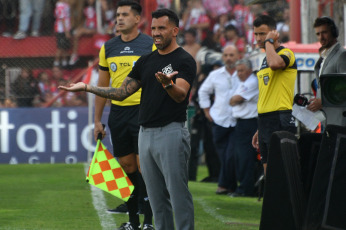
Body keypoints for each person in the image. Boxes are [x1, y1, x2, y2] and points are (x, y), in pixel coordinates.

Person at [59, 8, 196, 230]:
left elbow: (181, 95)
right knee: (156, 197)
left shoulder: (184, 59)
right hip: (146, 134)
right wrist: (86, 87)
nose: (156, 33)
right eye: (153, 28)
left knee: (178, 194)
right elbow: (121, 92)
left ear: (175, 30)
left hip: (171, 132)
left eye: (162, 28)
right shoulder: (146, 61)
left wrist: (168, 84)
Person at [93, 1, 155, 229]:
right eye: (118, 14)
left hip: (143, 112)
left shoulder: (150, 45)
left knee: (144, 167)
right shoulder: (108, 47)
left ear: (137, 19)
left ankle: (148, 222)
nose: (119, 18)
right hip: (117, 114)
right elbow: (102, 87)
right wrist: (97, 120)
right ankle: (133, 222)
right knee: (127, 167)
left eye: (125, 14)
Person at [251, 15, 297, 175]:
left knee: (282, 172)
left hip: (280, 117)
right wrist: (260, 128)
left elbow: (276, 64)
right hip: (264, 120)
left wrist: (269, 42)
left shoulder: (286, 53)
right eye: (256, 34)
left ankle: (286, 201)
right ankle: (271, 201)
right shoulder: (266, 58)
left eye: (262, 34)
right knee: (268, 172)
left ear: (273, 33)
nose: (258, 38)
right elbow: (267, 94)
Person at [198, 45, 240, 195]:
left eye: (231, 55)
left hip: (237, 119)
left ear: (237, 56)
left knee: (231, 155)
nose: (228, 58)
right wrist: (206, 110)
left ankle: (223, 185)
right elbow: (203, 91)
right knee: (223, 155)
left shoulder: (243, 73)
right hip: (219, 120)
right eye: (226, 55)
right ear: (223, 57)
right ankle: (232, 185)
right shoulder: (215, 75)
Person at [307, 16, 346, 126]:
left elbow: (343, 89)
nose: (321, 37)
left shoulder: (342, 55)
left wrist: (323, 102)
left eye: (324, 32)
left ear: (333, 32)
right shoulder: (323, 57)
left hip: (340, 121)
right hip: (326, 120)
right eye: (318, 34)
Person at [229, 59, 258, 197]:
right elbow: (232, 100)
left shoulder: (252, 82)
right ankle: (243, 186)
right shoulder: (243, 83)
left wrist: (234, 99)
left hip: (249, 123)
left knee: (246, 157)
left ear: (249, 70)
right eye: (238, 70)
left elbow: (235, 100)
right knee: (239, 156)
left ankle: (246, 189)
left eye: (241, 70)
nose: (239, 73)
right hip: (241, 123)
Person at [69, 0, 97, 66]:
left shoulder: (97, 7)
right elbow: (84, 20)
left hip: (96, 28)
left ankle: (74, 55)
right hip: (87, 27)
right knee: (76, 33)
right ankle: (74, 54)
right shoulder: (85, 8)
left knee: (79, 32)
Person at [53, 0, 72, 67]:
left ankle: (64, 62)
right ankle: (56, 63)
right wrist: (66, 31)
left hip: (67, 27)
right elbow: (62, 19)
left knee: (65, 47)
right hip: (61, 29)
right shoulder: (60, 6)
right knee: (60, 48)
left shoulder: (65, 4)